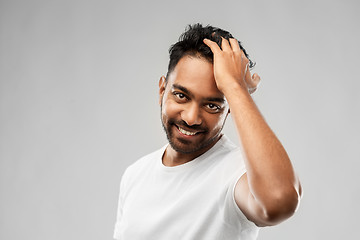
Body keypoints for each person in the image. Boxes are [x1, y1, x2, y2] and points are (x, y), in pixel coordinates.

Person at [113, 23, 302, 240]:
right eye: (181, 96)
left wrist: (235, 87)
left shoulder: (238, 174)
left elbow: (279, 200)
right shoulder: (135, 174)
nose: (191, 118)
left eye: (212, 105)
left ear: (230, 109)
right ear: (162, 90)